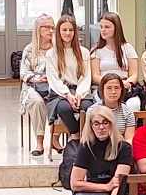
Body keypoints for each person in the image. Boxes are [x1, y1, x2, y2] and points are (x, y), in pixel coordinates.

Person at [46, 14, 94, 140]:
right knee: (64, 109)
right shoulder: (51, 54)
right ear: (58, 31)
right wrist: (67, 95)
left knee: (87, 107)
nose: (68, 33)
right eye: (64, 30)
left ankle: (84, 137)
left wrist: (79, 94)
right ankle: (75, 135)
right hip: (60, 93)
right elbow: (53, 79)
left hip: (80, 91)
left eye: (71, 30)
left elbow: (86, 76)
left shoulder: (84, 52)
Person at [19, 14, 57, 157]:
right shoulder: (30, 49)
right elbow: (23, 73)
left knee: (60, 100)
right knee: (37, 102)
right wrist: (37, 78)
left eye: (52, 27)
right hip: (33, 86)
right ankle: (39, 142)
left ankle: (55, 139)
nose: (51, 30)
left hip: (54, 85)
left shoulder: (58, 48)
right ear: (38, 29)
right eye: (46, 27)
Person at [90, 11, 137, 86]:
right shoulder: (96, 50)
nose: (103, 30)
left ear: (116, 28)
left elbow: (134, 75)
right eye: (101, 27)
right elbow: (95, 76)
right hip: (104, 87)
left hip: (124, 85)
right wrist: (112, 84)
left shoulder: (128, 48)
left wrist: (125, 84)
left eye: (107, 27)